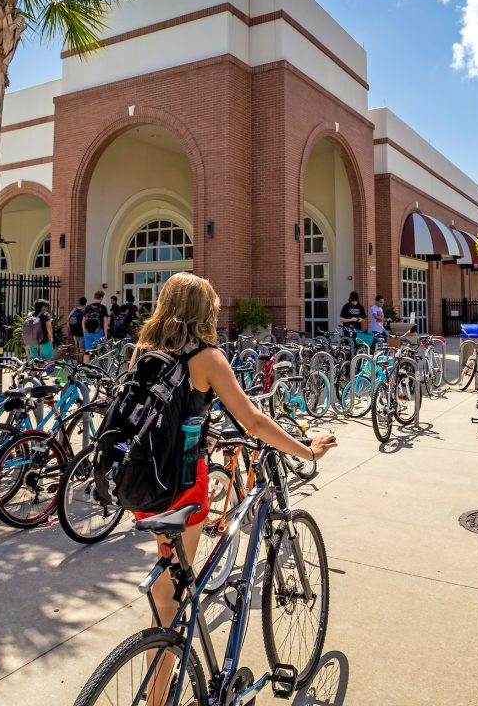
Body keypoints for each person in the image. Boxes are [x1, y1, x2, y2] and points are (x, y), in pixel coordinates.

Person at [127, 273, 336, 697]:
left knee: (166, 598)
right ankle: (159, 692)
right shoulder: (207, 358)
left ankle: (158, 685)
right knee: (172, 602)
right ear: (203, 313)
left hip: (144, 483)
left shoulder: (143, 351)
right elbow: (254, 422)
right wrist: (307, 451)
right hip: (183, 486)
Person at [82, 291, 109, 357]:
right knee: (98, 352)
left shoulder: (88, 307)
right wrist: (106, 335)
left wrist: (84, 331)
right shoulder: (103, 307)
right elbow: (105, 322)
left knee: (87, 352)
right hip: (98, 332)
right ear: (101, 298)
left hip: (87, 332)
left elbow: (83, 321)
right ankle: (97, 366)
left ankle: (85, 366)